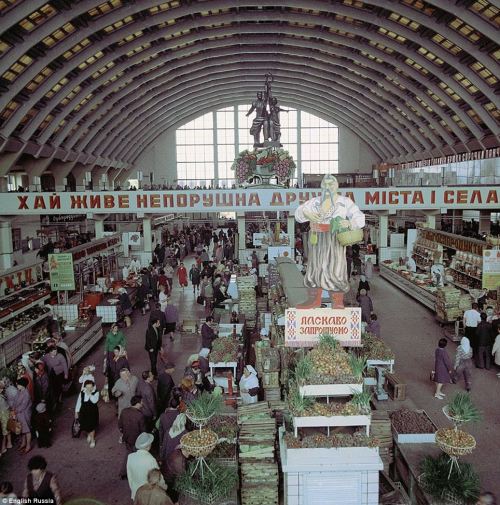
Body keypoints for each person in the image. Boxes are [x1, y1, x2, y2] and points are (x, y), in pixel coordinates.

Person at [294, 174, 365, 308]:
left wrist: (349, 222)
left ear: (336, 186)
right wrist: (306, 213)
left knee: (336, 268)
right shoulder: (314, 202)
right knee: (315, 268)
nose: (328, 187)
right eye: (325, 184)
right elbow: (298, 213)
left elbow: (360, 218)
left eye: (331, 184)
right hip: (316, 238)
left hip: (334, 239)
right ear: (321, 186)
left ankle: (337, 301)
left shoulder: (344, 202)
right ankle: (314, 300)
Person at [159, 395, 186, 503]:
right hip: (177, 462)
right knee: (177, 482)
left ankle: (171, 498)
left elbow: (164, 446)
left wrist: (162, 458)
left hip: (168, 461)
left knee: (170, 482)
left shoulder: (169, 431)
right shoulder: (184, 434)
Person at [127, 432, 167, 500]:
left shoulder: (130, 457)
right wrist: (164, 486)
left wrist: (133, 489)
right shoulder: (150, 460)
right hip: (149, 494)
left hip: (136, 492)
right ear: (148, 446)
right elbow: (158, 477)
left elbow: (130, 477)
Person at [118, 396, 146, 480]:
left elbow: (120, 425)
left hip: (127, 438)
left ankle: (123, 472)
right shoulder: (140, 415)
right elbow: (143, 431)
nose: (142, 403)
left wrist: (124, 433)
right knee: (138, 457)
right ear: (137, 403)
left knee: (129, 454)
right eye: (141, 402)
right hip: (137, 440)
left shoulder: (124, 411)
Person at [75, 379, 99, 448]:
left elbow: (94, 401)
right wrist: (76, 411)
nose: (89, 389)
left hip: (92, 412)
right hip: (83, 412)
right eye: (87, 387)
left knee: (92, 426)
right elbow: (79, 402)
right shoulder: (82, 392)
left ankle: (92, 440)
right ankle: (89, 434)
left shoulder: (96, 392)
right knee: (85, 425)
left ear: (93, 387)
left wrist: (90, 394)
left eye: (91, 387)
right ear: (85, 387)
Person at [12, 377, 32, 453]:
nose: (17, 386)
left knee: (27, 430)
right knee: (22, 430)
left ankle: (28, 445)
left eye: (18, 384)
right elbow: (15, 401)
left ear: (22, 385)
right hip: (19, 414)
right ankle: (23, 443)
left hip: (25, 414)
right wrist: (13, 409)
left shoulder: (26, 393)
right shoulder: (19, 391)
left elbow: (23, 406)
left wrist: (15, 411)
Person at [0, 380, 12, 455]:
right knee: (7, 431)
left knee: (5, 431)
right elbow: (6, 407)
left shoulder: (1, 397)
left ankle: (6, 446)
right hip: (5, 414)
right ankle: (7, 445)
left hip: (3, 415)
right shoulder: (1, 397)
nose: (2, 389)